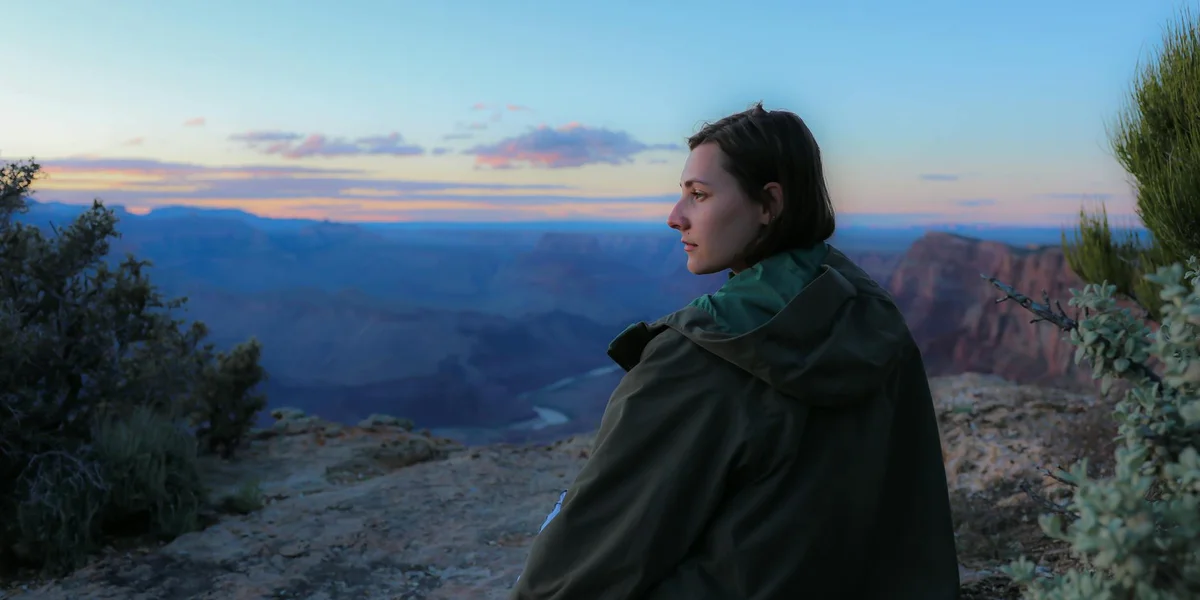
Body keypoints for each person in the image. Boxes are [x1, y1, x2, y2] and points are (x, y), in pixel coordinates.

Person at [509, 103, 960, 599]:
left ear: (769, 204)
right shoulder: (873, 317)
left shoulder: (696, 357)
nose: (674, 217)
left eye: (698, 195)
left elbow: (577, 574)